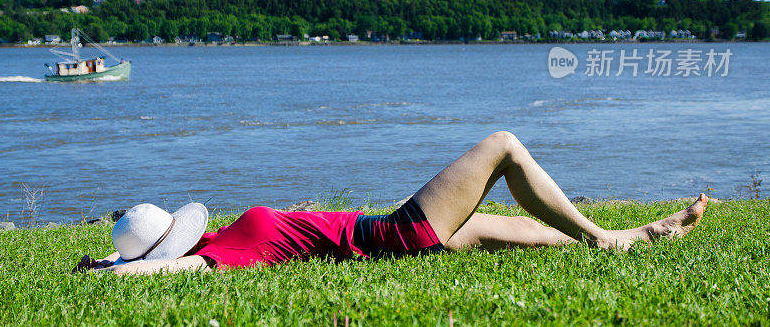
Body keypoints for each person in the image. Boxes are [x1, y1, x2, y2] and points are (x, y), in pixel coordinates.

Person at [74, 131, 708, 275]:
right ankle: (607, 238)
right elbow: (171, 271)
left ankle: (642, 234)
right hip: (392, 235)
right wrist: (119, 272)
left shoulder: (219, 240)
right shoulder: (212, 260)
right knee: (504, 146)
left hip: (380, 227)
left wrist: (106, 264)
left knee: (529, 235)